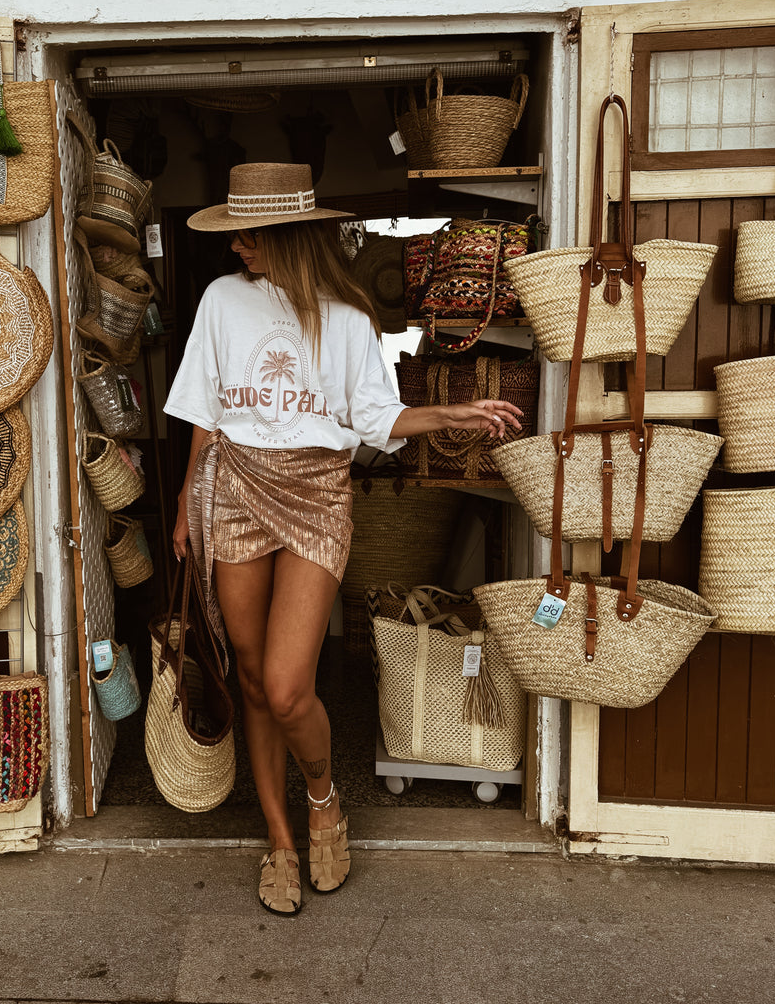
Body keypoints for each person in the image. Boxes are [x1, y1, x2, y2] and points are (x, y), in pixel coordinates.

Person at [165, 163, 523, 916]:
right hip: (231, 489)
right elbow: (204, 412)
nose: (237, 247)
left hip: (317, 494)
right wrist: (185, 508)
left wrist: (450, 414)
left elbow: (375, 419)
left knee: (288, 685)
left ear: (287, 234)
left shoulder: (350, 316)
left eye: (249, 235)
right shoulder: (222, 299)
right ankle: (280, 838)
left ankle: (324, 801)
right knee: (253, 678)